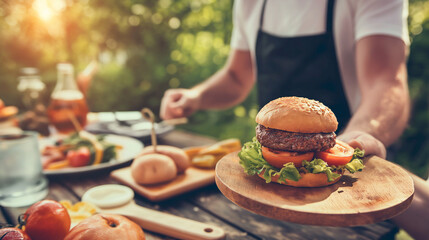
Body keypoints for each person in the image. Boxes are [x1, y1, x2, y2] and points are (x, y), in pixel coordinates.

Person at [160, 0, 429, 238]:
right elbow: (237, 76)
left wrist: (353, 140)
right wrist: (196, 96)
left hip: (356, 171)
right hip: (269, 190)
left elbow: (386, 81)